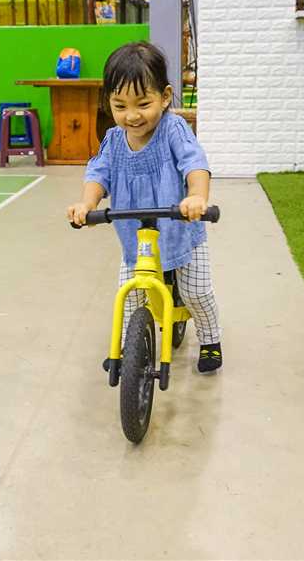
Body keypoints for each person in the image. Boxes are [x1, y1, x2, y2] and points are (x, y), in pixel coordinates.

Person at [67, 42, 223, 372]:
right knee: (130, 294)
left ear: (165, 97)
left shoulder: (173, 129)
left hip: (181, 231)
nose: (132, 115)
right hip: (135, 240)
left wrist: (196, 196)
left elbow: (195, 163)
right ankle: (126, 348)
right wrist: (87, 203)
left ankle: (210, 339)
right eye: (120, 105)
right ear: (108, 102)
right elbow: (98, 173)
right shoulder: (113, 139)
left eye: (143, 103)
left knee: (196, 292)